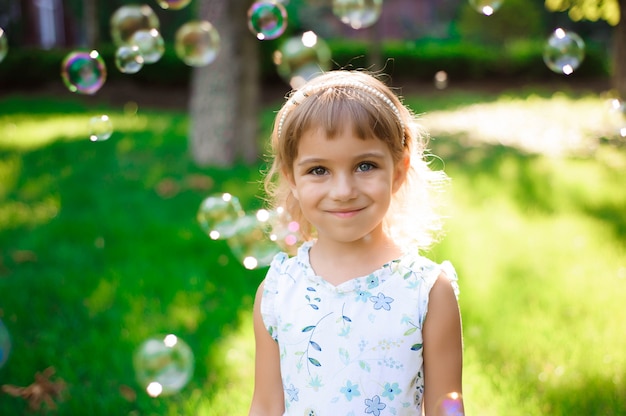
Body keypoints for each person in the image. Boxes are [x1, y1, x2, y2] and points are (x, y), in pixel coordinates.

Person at [249, 70, 464, 416]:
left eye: (365, 165)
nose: (344, 191)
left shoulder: (426, 291)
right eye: (319, 170)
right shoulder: (277, 292)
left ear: (398, 170)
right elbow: (265, 405)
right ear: (292, 177)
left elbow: (446, 407)